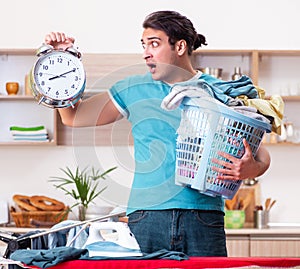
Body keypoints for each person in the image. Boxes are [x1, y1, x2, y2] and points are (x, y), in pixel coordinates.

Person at [44, 10, 270, 256]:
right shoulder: (133, 88)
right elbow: (72, 116)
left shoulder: (219, 91)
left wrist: (252, 169)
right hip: (146, 218)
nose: (146, 53)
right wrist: (63, 59)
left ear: (180, 46)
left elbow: (261, 154)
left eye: (154, 43)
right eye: (144, 45)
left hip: (203, 218)